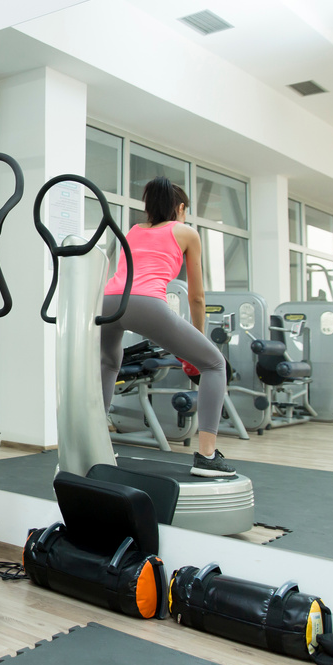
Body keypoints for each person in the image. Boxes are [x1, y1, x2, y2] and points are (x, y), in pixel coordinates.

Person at [100, 176, 235, 477]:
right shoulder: (186, 232)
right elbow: (197, 297)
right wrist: (198, 343)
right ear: (181, 208)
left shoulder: (134, 230)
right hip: (146, 304)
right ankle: (207, 456)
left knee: (109, 365)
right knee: (213, 363)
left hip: (108, 301)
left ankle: (98, 446)